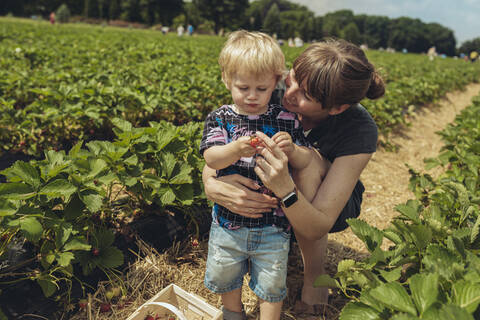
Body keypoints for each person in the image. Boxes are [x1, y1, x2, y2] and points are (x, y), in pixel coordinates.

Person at [202, 38, 385, 316]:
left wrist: (285, 188)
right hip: (270, 187)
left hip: (326, 201)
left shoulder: (360, 129)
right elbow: (222, 142)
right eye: (293, 78)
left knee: (307, 162)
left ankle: (313, 275)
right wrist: (212, 183)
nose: (288, 93)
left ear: (336, 108)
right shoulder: (268, 87)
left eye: (305, 96)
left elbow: (319, 224)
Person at [200, 30, 319, 320]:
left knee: (272, 278)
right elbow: (211, 157)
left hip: (274, 224)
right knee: (225, 270)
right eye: (243, 88)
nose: (252, 96)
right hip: (229, 221)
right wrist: (235, 149)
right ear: (227, 81)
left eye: (261, 89)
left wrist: (291, 149)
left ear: (275, 83)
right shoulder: (220, 118)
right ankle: (232, 311)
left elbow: (305, 158)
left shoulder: (285, 120)